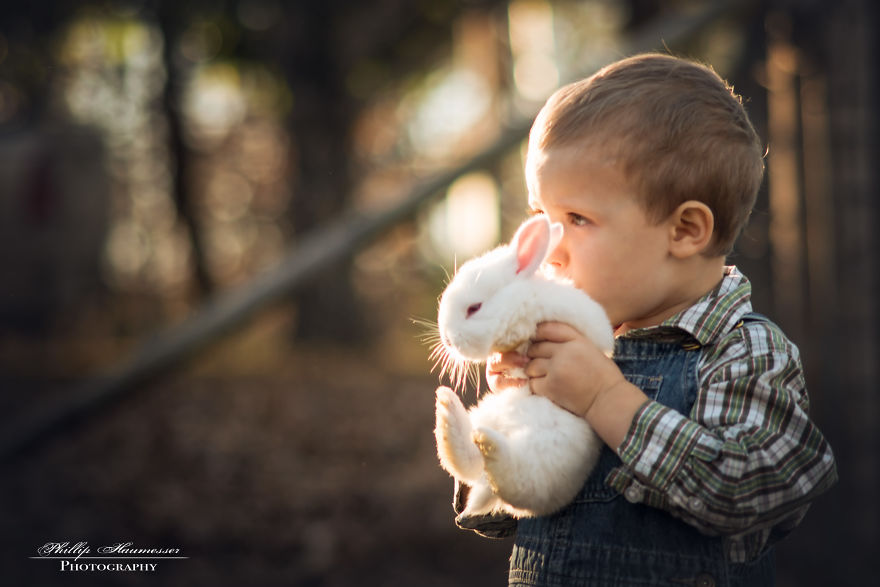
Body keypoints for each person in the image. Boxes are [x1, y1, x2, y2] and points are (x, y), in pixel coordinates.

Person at [455, 53, 838, 586]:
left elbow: (750, 491)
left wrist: (606, 401)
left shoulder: (743, 352)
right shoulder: (575, 343)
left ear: (684, 231)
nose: (550, 250)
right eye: (542, 216)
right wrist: (512, 417)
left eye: (577, 219)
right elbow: (505, 518)